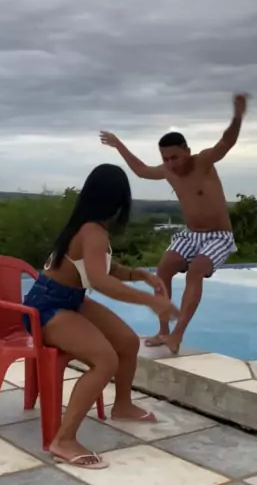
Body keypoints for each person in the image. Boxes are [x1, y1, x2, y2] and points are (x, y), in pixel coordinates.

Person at [22, 163, 179, 469]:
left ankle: (122, 405)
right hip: (47, 307)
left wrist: (139, 274)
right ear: (118, 200)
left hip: (70, 299)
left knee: (127, 342)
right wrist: (150, 300)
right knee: (105, 360)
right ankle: (63, 440)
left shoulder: (88, 226)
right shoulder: (91, 230)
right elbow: (100, 280)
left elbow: (102, 267)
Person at [100, 93, 249, 354]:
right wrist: (118, 145)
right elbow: (141, 170)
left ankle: (177, 335)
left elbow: (226, 143)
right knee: (164, 269)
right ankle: (163, 331)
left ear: (187, 152)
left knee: (195, 271)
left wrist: (237, 117)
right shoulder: (168, 171)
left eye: (175, 157)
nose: (170, 164)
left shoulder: (202, 163)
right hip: (191, 235)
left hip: (218, 236)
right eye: (166, 158)